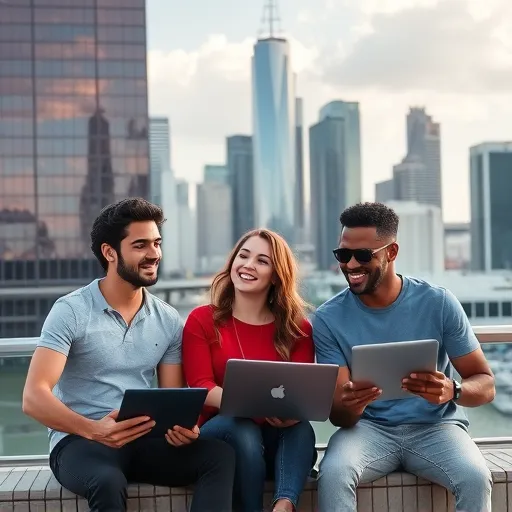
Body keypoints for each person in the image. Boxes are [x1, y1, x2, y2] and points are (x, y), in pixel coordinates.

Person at [22, 198, 235, 512]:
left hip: (143, 438)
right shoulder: (71, 311)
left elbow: (172, 397)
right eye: (141, 245)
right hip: (80, 442)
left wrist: (180, 429)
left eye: (157, 243)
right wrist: (94, 429)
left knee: (219, 456)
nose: (154, 254)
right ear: (110, 252)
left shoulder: (167, 319)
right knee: (107, 481)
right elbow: (33, 397)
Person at [313, 202, 495, 512]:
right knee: (333, 473)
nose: (351, 265)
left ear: (391, 252)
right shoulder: (328, 318)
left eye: (363, 255)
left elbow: (486, 384)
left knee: (476, 477)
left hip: (437, 428)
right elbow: (339, 417)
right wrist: (351, 403)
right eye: (343, 255)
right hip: (366, 430)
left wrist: (453, 390)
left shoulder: (438, 302)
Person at [182, 229, 317, 512]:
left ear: (276, 275)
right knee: (240, 426)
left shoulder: (299, 329)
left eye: (262, 261)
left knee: (301, 429)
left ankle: (284, 504)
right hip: (222, 433)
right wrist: (252, 404)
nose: (248, 265)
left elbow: (302, 390)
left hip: (272, 438)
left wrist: (292, 413)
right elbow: (201, 385)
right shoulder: (202, 319)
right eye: (243, 256)